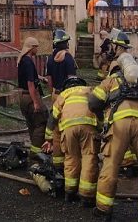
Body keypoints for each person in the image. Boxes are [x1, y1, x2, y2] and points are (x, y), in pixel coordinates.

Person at [88, 35, 138, 221]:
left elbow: (93, 103)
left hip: (119, 122)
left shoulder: (111, 81)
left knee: (111, 164)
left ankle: (103, 210)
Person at [42, 76, 99, 208]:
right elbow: (99, 110)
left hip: (68, 129)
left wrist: (48, 139)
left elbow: (53, 118)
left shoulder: (63, 95)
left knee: (71, 158)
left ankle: (70, 193)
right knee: (88, 158)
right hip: (88, 126)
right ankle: (86, 197)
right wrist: (100, 128)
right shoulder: (90, 90)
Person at [44, 29, 77, 173]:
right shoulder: (68, 58)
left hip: (56, 95)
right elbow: (72, 79)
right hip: (68, 97)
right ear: (64, 43)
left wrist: (54, 92)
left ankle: (58, 163)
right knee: (69, 126)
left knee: (56, 128)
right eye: (67, 42)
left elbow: (49, 80)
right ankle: (71, 157)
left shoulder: (50, 58)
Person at [17, 36, 48, 156]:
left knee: (31, 123)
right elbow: (30, 83)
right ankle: (36, 152)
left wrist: (40, 78)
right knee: (41, 122)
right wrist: (36, 102)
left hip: (23, 97)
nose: (37, 50)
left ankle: (34, 149)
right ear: (31, 48)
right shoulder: (29, 62)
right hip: (30, 96)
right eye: (36, 47)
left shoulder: (22, 60)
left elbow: (29, 77)